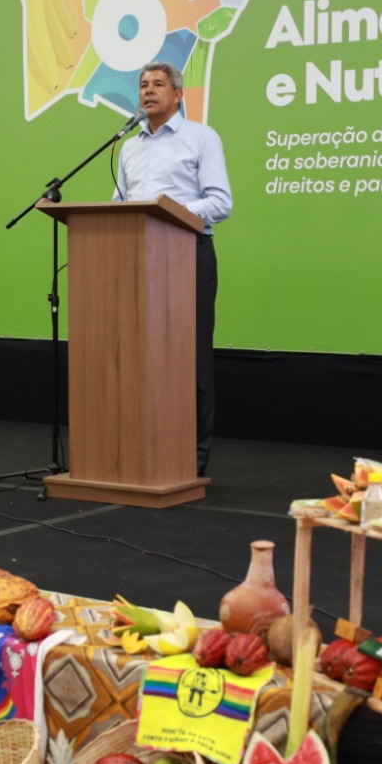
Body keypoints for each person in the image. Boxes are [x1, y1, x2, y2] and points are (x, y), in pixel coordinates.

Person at [112, 61, 232, 476]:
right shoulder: (129, 147)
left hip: (187, 254)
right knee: (139, 356)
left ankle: (192, 460)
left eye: (158, 84)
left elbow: (220, 202)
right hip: (138, 258)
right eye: (143, 84)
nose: (148, 90)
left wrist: (168, 211)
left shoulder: (201, 137)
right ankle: (144, 450)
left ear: (178, 94)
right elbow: (119, 204)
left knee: (190, 358)